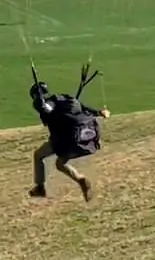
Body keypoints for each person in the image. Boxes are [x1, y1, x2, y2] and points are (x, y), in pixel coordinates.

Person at [28, 64, 107, 201]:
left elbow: (46, 108)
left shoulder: (48, 104)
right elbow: (84, 108)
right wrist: (100, 112)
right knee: (60, 164)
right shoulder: (67, 99)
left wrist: (40, 104)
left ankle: (40, 187)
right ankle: (81, 180)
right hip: (86, 138)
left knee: (39, 155)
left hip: (68, 139)